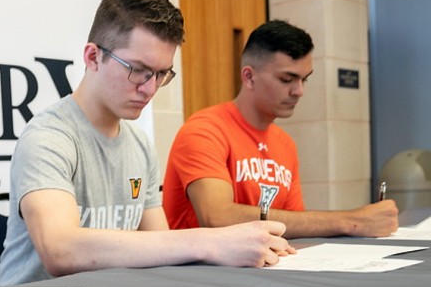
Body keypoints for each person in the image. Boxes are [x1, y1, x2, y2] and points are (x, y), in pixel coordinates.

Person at [0, 0, 293, 287]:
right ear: (93, 57)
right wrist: (209, 241)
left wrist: (231, 244)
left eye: (161, 74)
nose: (150, 88)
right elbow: (61, 250)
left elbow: (159, 245)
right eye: (138, 70)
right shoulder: (48, 137)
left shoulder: (138, 144)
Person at [162, 20, 398, 237]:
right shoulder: (204, 130)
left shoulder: (284, 144)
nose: (299, 91)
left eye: (304, 79)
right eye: (287, 80)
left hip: (261, 270)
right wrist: (350, 221)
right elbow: (217, 218)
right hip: (202, 276)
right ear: (249, 77)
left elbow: (293, 225)